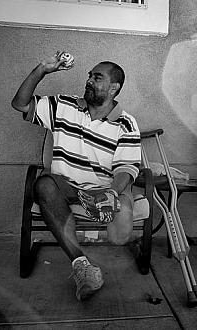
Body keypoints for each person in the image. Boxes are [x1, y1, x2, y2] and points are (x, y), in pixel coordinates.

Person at [11, 53, 141, 301]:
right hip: (65, 187)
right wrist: (42, 70)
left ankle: (120, 208)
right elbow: (19, 104)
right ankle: (82, 265)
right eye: (89, 76)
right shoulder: (64, 106)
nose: (89, 80)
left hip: (101, 190)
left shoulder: (126, 123)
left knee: (119, 235)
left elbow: (126, 166)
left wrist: (112, 192)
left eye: (97, 77)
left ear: (114, 87)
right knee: (44, 184)